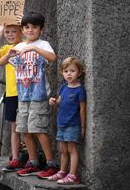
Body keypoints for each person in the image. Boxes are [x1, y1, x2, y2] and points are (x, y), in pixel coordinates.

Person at [0, 12, 59, 178]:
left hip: (38, 96)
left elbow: (53, 58)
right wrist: (8, 55)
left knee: (38, 129)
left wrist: (34, 48)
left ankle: (51, 163)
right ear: (22, 29)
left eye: (34, 27)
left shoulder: (43, 44)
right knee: (24, 130)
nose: (30, 30)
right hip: (23, 97)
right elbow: (1, 62)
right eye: (26, 27)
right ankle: (33, 162)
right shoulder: (18, 47)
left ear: (41, 29)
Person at [0, 21, 24, 171]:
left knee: (29, 128)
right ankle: (16, 157)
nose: (10, 35)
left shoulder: (25, 46)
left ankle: (31, 156)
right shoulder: (5, 49)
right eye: (7, 32)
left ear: (21, 32)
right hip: (12, 94)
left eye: (14, 31)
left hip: (27, 93)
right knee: (14, 128)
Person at [47, 57, 86, 185]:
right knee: (63, 150)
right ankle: (62, 171)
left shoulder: (80, 90)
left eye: (72, 71)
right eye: (66, 71)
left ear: (79, 73)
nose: (69, 74)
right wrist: (53, 101)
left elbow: (82, 110)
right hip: (61, 123)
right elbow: (60, 101)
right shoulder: (63, 87)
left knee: (72, 149)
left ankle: (72, 175)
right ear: (62, 72)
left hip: (72, 125)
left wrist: (83, 127)